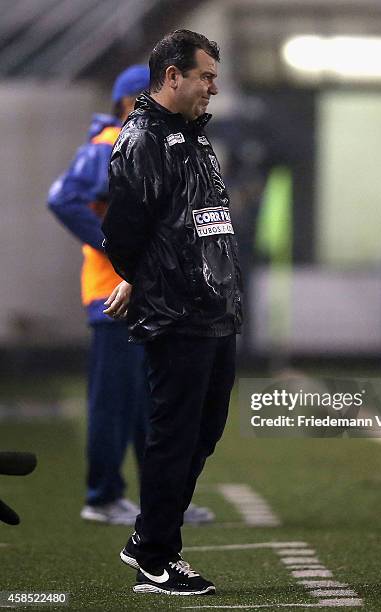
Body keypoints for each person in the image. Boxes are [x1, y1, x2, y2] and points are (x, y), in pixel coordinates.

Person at [102, 30, 242, 596]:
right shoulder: (141, 141)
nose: (213, 86)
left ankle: (148, 538)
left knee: (204, 433)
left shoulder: (193, 136)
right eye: (205, 76)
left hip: (213, 310)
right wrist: (148, 283)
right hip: (176, 315)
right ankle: (157, 559)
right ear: (172, 77)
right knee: (175, 436)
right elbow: (122, 236)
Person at [47, 65, 214, 527]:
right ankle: (102, 497)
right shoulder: (110, 145)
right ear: (129, 101)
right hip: (114, 296)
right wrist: (113, 247)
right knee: (115, 401)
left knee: (151, 405)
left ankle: (158, 503)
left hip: (148, 295)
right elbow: (63, 198)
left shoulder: (145, 146)